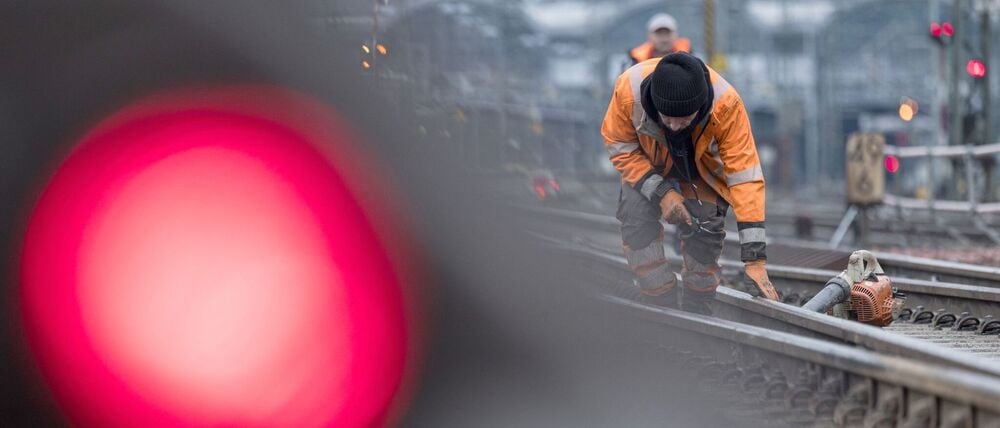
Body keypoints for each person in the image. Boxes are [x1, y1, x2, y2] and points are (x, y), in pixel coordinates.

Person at [601, 52, 778, 315]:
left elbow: (745, 176)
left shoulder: (726, 105)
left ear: (701, 105)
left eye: (683, 120)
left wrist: (755, 259)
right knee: (636, 220)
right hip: (646, 168)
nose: (673, 127)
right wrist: (662, 193)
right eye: (667, 118)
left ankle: (698, 304)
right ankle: (659, 299)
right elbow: (620, 146)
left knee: (706, 230)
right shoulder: (628, 91)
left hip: (699, 171)